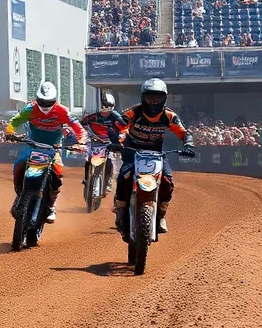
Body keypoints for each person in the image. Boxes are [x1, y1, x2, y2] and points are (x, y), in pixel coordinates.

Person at [111, 78, 195, 236]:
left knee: (168, 181)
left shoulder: (169, 116)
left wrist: (188, 145)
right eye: (150, 97)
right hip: (133, 150)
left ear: (165, 98)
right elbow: (116, 127)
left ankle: (162, 215)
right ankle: (120, 209)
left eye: (158, 97)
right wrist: (115, 141)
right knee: (123, 177)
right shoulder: (133, 112)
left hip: (157, 154)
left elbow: (184, 133)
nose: (154, 101)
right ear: (143, 97)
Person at [5, 81, 87, 223]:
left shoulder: (62, 111)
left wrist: (81, 142)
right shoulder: (30, 109)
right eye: (42, 101)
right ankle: (19, 195)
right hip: (33, 145)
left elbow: (78, 128)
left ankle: (51, 206)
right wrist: (10, 131)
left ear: (54, 100)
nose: (45, 105)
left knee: (58, 174)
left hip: (53, 148)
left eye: (48, 102)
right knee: (18, 164)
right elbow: (14, 121)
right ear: (37, 98)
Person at [79, 90, 125, 190]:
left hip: (108, 143)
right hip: (94, 141)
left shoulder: (116, 117)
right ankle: (87, 178)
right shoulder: (91, 116)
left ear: (112, 107)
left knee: (109, 161)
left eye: (108, 106)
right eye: (104, 106)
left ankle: (108, 180)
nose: (105, 109)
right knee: (88, 159)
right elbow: (79, 126)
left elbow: (124, 129)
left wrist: (121, 139)